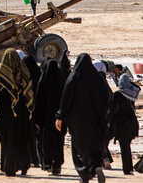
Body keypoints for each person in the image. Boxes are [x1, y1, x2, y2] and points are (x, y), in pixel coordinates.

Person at [56, 53, 112, 183]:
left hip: (78, 121)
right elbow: (108, 97)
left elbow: (66, 98)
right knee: (95, 144)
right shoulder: (97, 78)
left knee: (78, 147)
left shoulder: (74, 77)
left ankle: (84, 173)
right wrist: (106, 116)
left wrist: (60, 116)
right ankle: (97, 165)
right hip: (96, 120)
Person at [0, 49, 35, 176]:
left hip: (6, 115)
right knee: (19, 138)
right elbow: (29, 93)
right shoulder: (24, 72)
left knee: (7, 141)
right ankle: (23, 163)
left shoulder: (1, 76)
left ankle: (10, 167)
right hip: (22, 114)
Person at [33, 59, 66, 175]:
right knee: (58, 142)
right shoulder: (62, 81)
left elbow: (38, 102)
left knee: (47, 142)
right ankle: (57, 165)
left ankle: (48, 163)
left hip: (46, 120)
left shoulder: (43, 82)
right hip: (59, 120)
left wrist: (36, 119)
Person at [107, 74, 140, 175]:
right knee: (127, 146)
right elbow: (137, 87)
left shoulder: (118, 94)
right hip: (131, 123)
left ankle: (126, 169)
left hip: (122, 124)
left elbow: (111, 109)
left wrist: (107, 121)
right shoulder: (133, 94)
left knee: (123, 147)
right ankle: (129, 168)